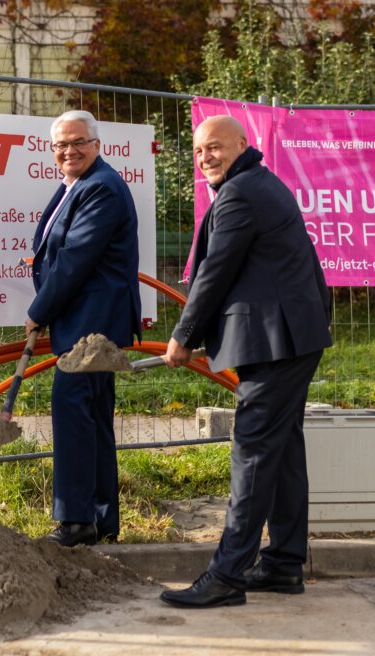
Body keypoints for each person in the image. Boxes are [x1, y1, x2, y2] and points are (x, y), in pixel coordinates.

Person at [159, 114, 332, 609]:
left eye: (215, 147)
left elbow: (215, 272)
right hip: (291, 337)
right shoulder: (257, 183)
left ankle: (227, 575)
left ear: (242, 144)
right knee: (282, 450)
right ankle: (282, 564)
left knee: (253, 450)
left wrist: (183, 336)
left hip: (276, 343)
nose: (205, 156)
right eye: (198, 151)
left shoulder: (240, 194)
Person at [26, 109, 142, 547]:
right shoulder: (76, 185)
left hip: (92, 325)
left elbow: (76, 259)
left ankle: (75, 522)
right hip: (85, 320)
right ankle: (100, 519)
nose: (68, 151)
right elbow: (60, 250)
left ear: (97, 145)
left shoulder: (102, 188)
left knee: (73, 413)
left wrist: (38, 310)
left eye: (77, 142)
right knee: (91, 417)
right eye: (60, 145)